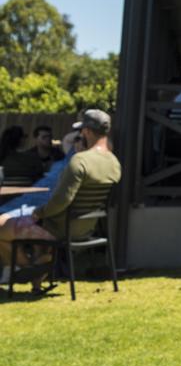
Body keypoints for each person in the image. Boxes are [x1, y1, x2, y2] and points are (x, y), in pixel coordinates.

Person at [0, 110, 121, 283]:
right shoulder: (114, 163)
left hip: (59, 229)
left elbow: (61, 201)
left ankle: (31, 268)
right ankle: (38, 267)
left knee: (1, 224)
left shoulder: (79, 161)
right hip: (87, 227)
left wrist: (39, 213)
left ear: (86, 131)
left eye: (81, 132)